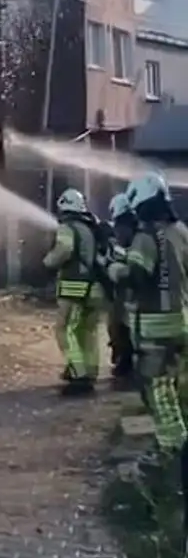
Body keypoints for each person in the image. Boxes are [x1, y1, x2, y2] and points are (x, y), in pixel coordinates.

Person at [111, 171, 188, 491]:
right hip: (181, 323)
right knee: (173, 389)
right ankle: (175, 447)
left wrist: (117, 270)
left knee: (158, 393)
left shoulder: (146, 237)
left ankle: (172, 452)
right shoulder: (181, 232)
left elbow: (138, 275)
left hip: (155, 329)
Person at [42, 187, 106, 394]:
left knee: (65, 329)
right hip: (95, 287)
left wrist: (48, 261)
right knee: (88, 332)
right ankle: (90, 371)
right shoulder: (90, 229)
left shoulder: (67, 227)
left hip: (74, 287)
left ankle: (78, 374)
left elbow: (65, 249)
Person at [107, 189, 138, 383]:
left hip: (128, 291)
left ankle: (124, 361)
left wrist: (114, 267)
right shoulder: (141, 229)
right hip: (131, 292)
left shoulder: (129, 231)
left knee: (120, 325)